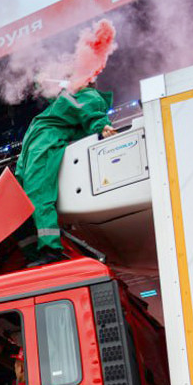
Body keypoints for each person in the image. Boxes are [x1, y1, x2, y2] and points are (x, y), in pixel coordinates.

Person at [14, 80, 117, 265]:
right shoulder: (68, 96)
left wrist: (102, 126)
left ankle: (51, 249)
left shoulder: (87, 95)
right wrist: (40, 78)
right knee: (23, 203)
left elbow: (93, 115)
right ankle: (35, 252)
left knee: (38, 195)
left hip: (45, 147)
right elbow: (46, 87)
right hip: (34, 150)